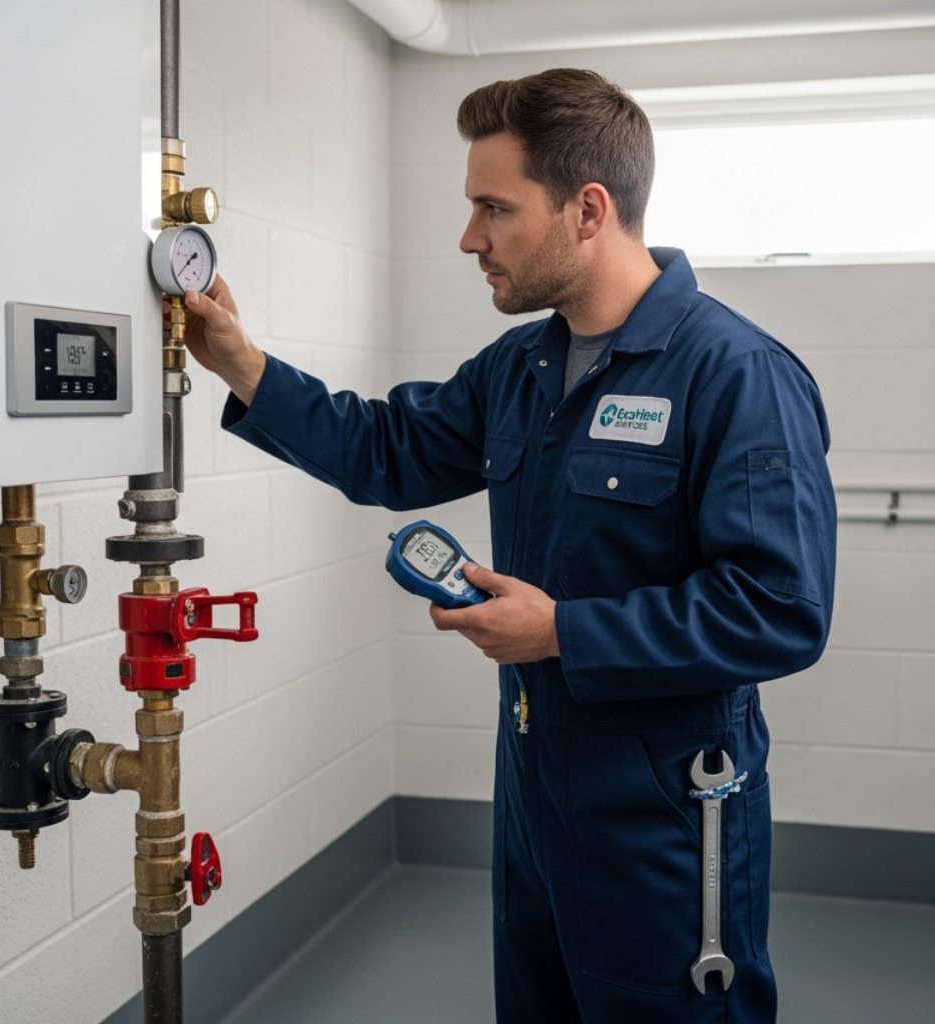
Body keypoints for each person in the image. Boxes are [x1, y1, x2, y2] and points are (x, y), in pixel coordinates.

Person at [183, 67, 836, 1024]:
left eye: (495, 207)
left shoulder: (737, 375)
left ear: (588, 209)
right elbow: (388, 451)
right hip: (534, 785)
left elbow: (780, 611)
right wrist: (241, 362)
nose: (469, 238)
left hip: (663, 810)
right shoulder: (523, 365)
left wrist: (566, 631)